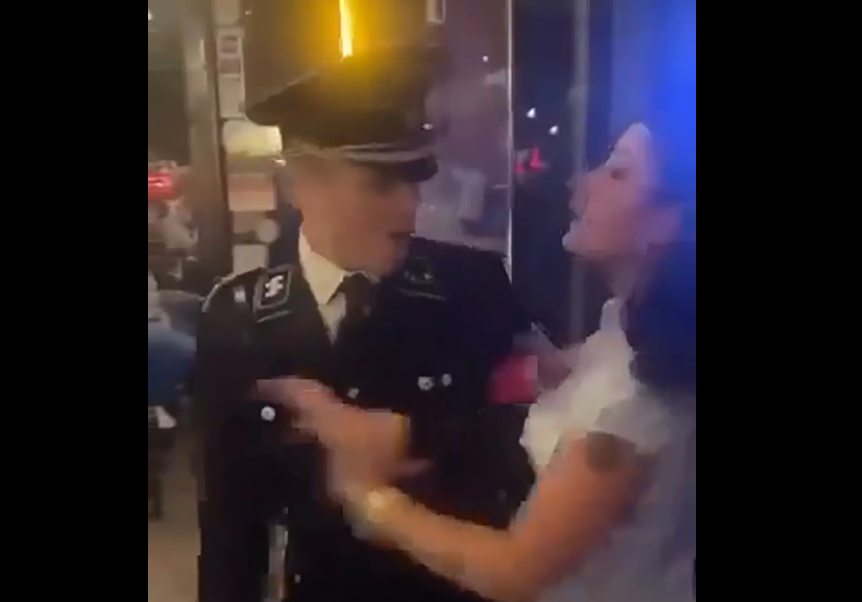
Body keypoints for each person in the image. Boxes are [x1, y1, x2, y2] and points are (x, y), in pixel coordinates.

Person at [266, 123, 696, 602]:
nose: (581, 182)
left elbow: (515, 568)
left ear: (668, 220)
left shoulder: (639, 395)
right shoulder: (626, 329)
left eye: (618, 174)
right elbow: (540, 381)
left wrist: (364, 494)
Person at [195, 51, 535, 602]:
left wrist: (410, 434)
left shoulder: (470, 286)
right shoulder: (242, 320)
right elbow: (231, 526)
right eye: (380, 184)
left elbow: (534, 438)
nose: (409, 208)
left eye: (415, 182)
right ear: (301, 183)